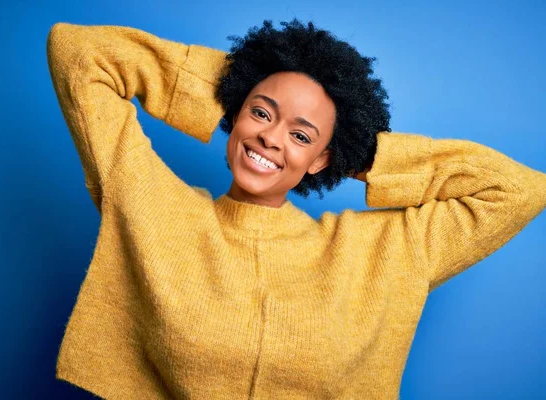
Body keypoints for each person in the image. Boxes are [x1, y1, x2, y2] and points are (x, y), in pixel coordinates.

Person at [46, 19, 546, 399]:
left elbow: (519, 190)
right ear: (236, 115)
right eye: (260, 112)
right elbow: (78, 52)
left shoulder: (378, 253)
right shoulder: (152, 206)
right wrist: (230, 88)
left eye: (301, 135)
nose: (270, 136)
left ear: (321, 158)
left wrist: (364, 154)